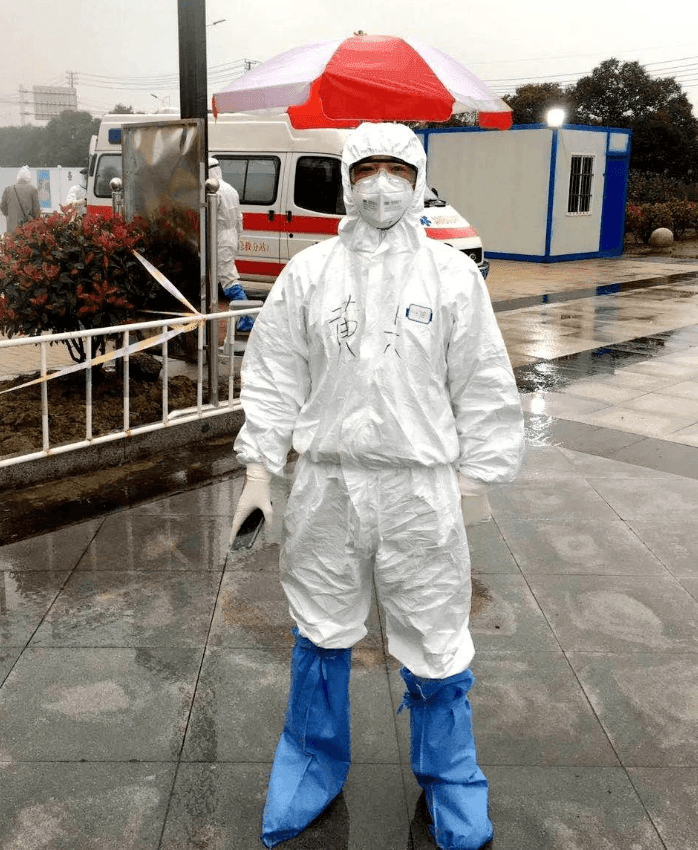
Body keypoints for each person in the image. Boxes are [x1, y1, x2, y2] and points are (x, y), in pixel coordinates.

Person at [229, 122, 524, 850]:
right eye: (366, 169)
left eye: (397, 168)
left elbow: (482, 380)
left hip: (419, 488)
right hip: (327, 483)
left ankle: (450, 778)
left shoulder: (451, 275)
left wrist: (475, 478)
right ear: (346, 179)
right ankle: (310, 762)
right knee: (320, 625)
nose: (381, 184)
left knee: (434, 632)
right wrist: (259, 469)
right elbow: (274, 373)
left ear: (417, 180)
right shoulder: (310, 272)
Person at [209, 156, 254, 333]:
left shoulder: (213, 192)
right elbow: (239, 219)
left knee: (228, 278)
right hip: (231, 236)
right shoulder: (231, 189)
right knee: (218, 276)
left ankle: (246, 317)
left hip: (219, 238)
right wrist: (236, 238)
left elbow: (209, 220)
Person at [0, 166, 40, 233]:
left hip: (12, 229)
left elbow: (2, 207)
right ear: (29, 178)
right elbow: (36, 211)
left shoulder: (8, 189)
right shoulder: (32, 189)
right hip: (27, 229)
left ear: (18, 177)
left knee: (12, 239)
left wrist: (11, 216)